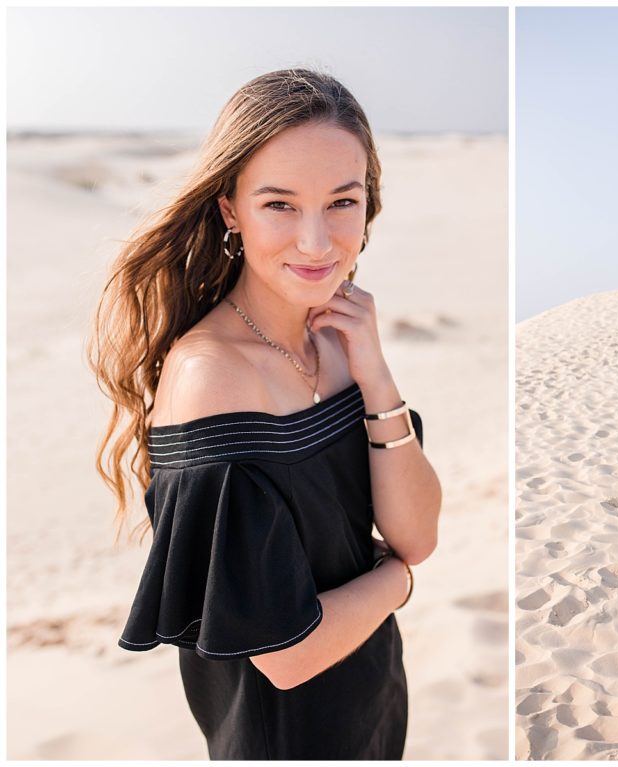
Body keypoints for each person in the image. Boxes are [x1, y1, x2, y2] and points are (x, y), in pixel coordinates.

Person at [89, 68, 442, 759]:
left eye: (342, 201)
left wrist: (374, 372)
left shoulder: (342, 342)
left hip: (371, 706)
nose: (317, 242)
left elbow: (417, 531)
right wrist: (396, 580)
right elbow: (287, 650)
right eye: (280, 205)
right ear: (230, 208)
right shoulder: (209, 377)